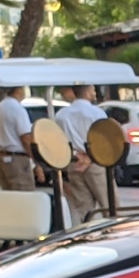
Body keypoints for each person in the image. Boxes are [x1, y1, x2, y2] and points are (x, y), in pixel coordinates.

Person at [56, 83, 111, 226]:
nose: (94, 93)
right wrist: (90, 158)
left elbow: (60, 141)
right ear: (87, 92)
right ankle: (113, 234)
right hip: (95, 162)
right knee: (109, 204)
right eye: (93, 90)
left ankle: (87, 235)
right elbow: (103, 139)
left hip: (74, 162)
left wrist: (75, 154)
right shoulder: (97, 113)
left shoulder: (61, 115)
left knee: (82, 207)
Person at [0, 86, 36, 192]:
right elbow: (25, 138)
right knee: (24, 193)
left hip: (0, 157)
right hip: (17, 159)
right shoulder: (17, 109)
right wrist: (35, 158)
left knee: (9, 195)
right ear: (19, 90)